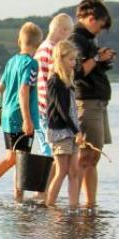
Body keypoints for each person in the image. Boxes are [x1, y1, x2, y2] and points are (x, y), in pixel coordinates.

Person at [0, 22, 44, 203]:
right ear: (39, 44)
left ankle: (17, 196)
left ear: (19, 41)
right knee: (17, 158)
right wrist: (27, 120)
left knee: (17, 158)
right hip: (20, 116)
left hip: (7, 115)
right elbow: (23, 91)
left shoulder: (11, 61)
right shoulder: (32, 64)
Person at [72, 0, 116, 208]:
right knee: (87, 155)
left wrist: (102, 59)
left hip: (97, 103)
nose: (100, 30)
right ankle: (80, 203)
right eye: (100, 24)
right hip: (87, 102)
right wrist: (98, 58)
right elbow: (78, 72)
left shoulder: (88, 40)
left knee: (94, 155)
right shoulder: (76, 40)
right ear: (90, 18)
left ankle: (90, 204)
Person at [43, 40, 84, 210]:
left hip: (72, 131)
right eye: (71, 59)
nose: (74, 63)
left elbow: (73, 111)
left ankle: (73, 206)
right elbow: (61, 109)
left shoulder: (69, 81)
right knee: (62, 170)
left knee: (74, 170)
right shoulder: (55, 81)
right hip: (60, 132)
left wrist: (78, 130)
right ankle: (50, 204)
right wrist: (76, 131)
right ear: (60, 59)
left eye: (75, 59)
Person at [34, 13, 74, 157]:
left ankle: (45, 178)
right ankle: (47, 179)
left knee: (46, 147)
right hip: (47, 108)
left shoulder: (40, 49)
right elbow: (56, 80)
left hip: (38, 107)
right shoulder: (53, 50)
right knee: (51, 152)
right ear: (62, 30)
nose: (68, 38)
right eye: (69, 33)